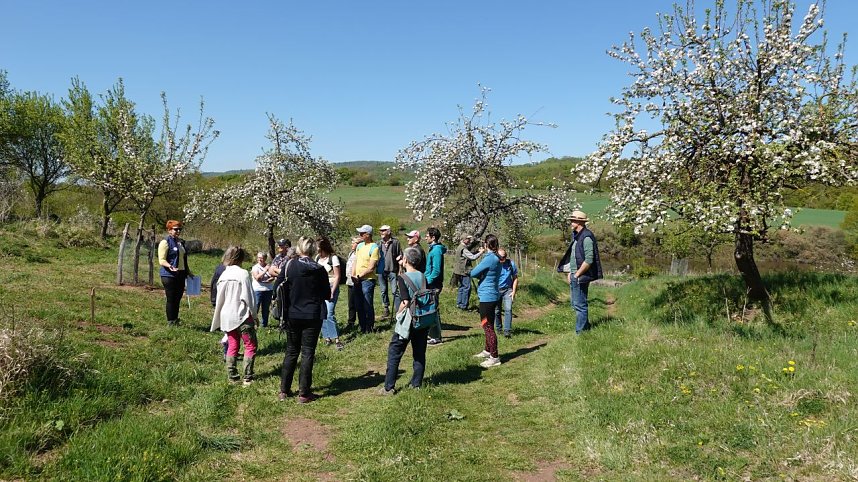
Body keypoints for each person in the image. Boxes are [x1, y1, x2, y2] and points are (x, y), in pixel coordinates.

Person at [278, 236, 331, 403]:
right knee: (308, 352)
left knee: (291, 351)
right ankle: (304, 393)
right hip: (313, 315)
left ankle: (284, 390)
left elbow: (277, 288)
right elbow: (327, 294)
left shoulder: (289, 266)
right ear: (313, 250)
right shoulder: (319, 269)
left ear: (299, 248)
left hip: (292, 314)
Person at [379, 247, 432, 395]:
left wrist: (397, 314)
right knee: (419, 353)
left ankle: (389, 387)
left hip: (408, 320)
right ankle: (416, 384)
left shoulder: (403, 278)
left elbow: (405, 301)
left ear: (406, 260)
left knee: (395, 352)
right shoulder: (422, 276)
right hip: (421, 319)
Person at [210, 246, 257, 384]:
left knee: (232, 344)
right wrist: (254, 315)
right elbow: (249, 297)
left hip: (227, 315)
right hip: (241, 315)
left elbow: (219, 297)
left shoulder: (224, 274)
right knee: (250, 345)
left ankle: (232, 377)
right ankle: (247, 377)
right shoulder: (243, 274)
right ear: (241, 258)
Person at [557, 210, 603, 334]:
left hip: (579, 276)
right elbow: (573, 256)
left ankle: (580, 333)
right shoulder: (577, 235)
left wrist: (577, 274)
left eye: (573, 220)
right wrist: (569, 272)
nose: (571, 222)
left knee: (580, 305)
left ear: (579, 222)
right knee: (576, 304)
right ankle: (585, 328)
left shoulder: (586, 237)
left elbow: (588, 260)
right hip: (574, 275)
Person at [470, 234, 503, 368]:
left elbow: (473, 273)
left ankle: (494, 356)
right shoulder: (497, 258)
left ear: (486, 245)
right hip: (493, 294)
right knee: (489, 324)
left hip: (487, 297)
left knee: (487, 326)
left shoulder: (489, 259)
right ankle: (487, 349)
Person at [158, 220, 193, 326]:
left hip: (180, 274)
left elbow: (183, 259)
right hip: (169, 275)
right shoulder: (165, 242)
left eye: (179, 229)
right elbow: (161, 260)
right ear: (169, 230)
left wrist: (188, 272)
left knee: (178, 298)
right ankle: (170, 321)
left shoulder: (181, 242)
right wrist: (170, 266)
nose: (178, 231)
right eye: (175, 229)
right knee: (171, 298)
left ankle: (175, 319)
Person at [316, 236, 343, 350]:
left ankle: (336, 338)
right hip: (320, 288)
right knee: (322, 313)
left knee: (329, 313)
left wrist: (332, 291)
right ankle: (327, 337)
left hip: (331, 286)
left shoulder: (333, 258)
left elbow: (337, 276)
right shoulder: (317, 258)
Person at [352, 224, 380, 333]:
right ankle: (362, 326)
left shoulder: (374, 247)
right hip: (357, 279)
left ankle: (369, 327)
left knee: (367, 304)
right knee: (358, 304)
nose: (360, 235)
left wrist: (359, 276)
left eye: (362, 233)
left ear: (368, 235)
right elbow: (356, 261)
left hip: (367, 280)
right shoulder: (359, 246)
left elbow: (371, 267)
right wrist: (353, 274)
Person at [424, 227, 447, 345]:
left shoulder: (436, 250)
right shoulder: (433, 249)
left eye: (427, 235)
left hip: (433, 284)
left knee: (433, 309)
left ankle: (436, 337)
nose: (425, 237)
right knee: (431, 308)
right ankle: (432, 334)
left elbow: (436, 271)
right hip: (430, 283)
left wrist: (426, 281)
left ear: (433, 237)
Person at [377, 224, 402, 320]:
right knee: (383, 291)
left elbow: (400, 255)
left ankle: (397, 311)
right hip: (381, 270)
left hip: (393, 270)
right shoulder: (378, 243)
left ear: (389, 231)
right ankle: (386, 308)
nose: (381, 232)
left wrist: (400, 270)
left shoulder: (395, 242)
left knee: (395, 291)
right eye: (380, 230)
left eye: (383, 230)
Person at [453, 234, 484, 310]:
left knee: (462, 287)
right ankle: (464, 306)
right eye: (468, 239)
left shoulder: (460, 247)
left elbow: (468, 255)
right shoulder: (463, 249)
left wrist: (477, 251)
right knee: (467, 288)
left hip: (458, 271)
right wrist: (481, 252)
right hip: (464, 271)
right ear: (464, 240)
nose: (469, 240)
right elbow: (472, 257)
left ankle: (459, 304)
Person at [493, 248, 519, 338]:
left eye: (503, 257)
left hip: (507, 290)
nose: (501, 259)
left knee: (508, 310)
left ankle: (507, 331)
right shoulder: (493, 264)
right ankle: (499, 329)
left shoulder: (511, 264)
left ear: (506, 256)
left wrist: (514, 291)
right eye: (499, 257)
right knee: (497, 311)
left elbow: (515, 278)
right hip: (496, 290)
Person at [251, 252, 275, 328]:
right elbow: (257, 277)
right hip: (258, 289)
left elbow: (273, 276)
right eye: (258, 257)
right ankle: (253, 324)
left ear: (265, 258)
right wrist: (265, 270)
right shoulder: (255, 267)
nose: (260, 259)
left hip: (268, 289)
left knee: (266, 308)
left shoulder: (269, 266)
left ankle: (264, 325)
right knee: (256, 307)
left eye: (261, 258)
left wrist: (270, 279)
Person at [344, 236, 360, 331]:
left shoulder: (359, 254)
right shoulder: (351, 253)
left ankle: (363, 321)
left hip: (357, 281)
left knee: (358, 303)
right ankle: (351, 322)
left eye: (353, 242)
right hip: (349, 281)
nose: (351, 244)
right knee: (351, 303)